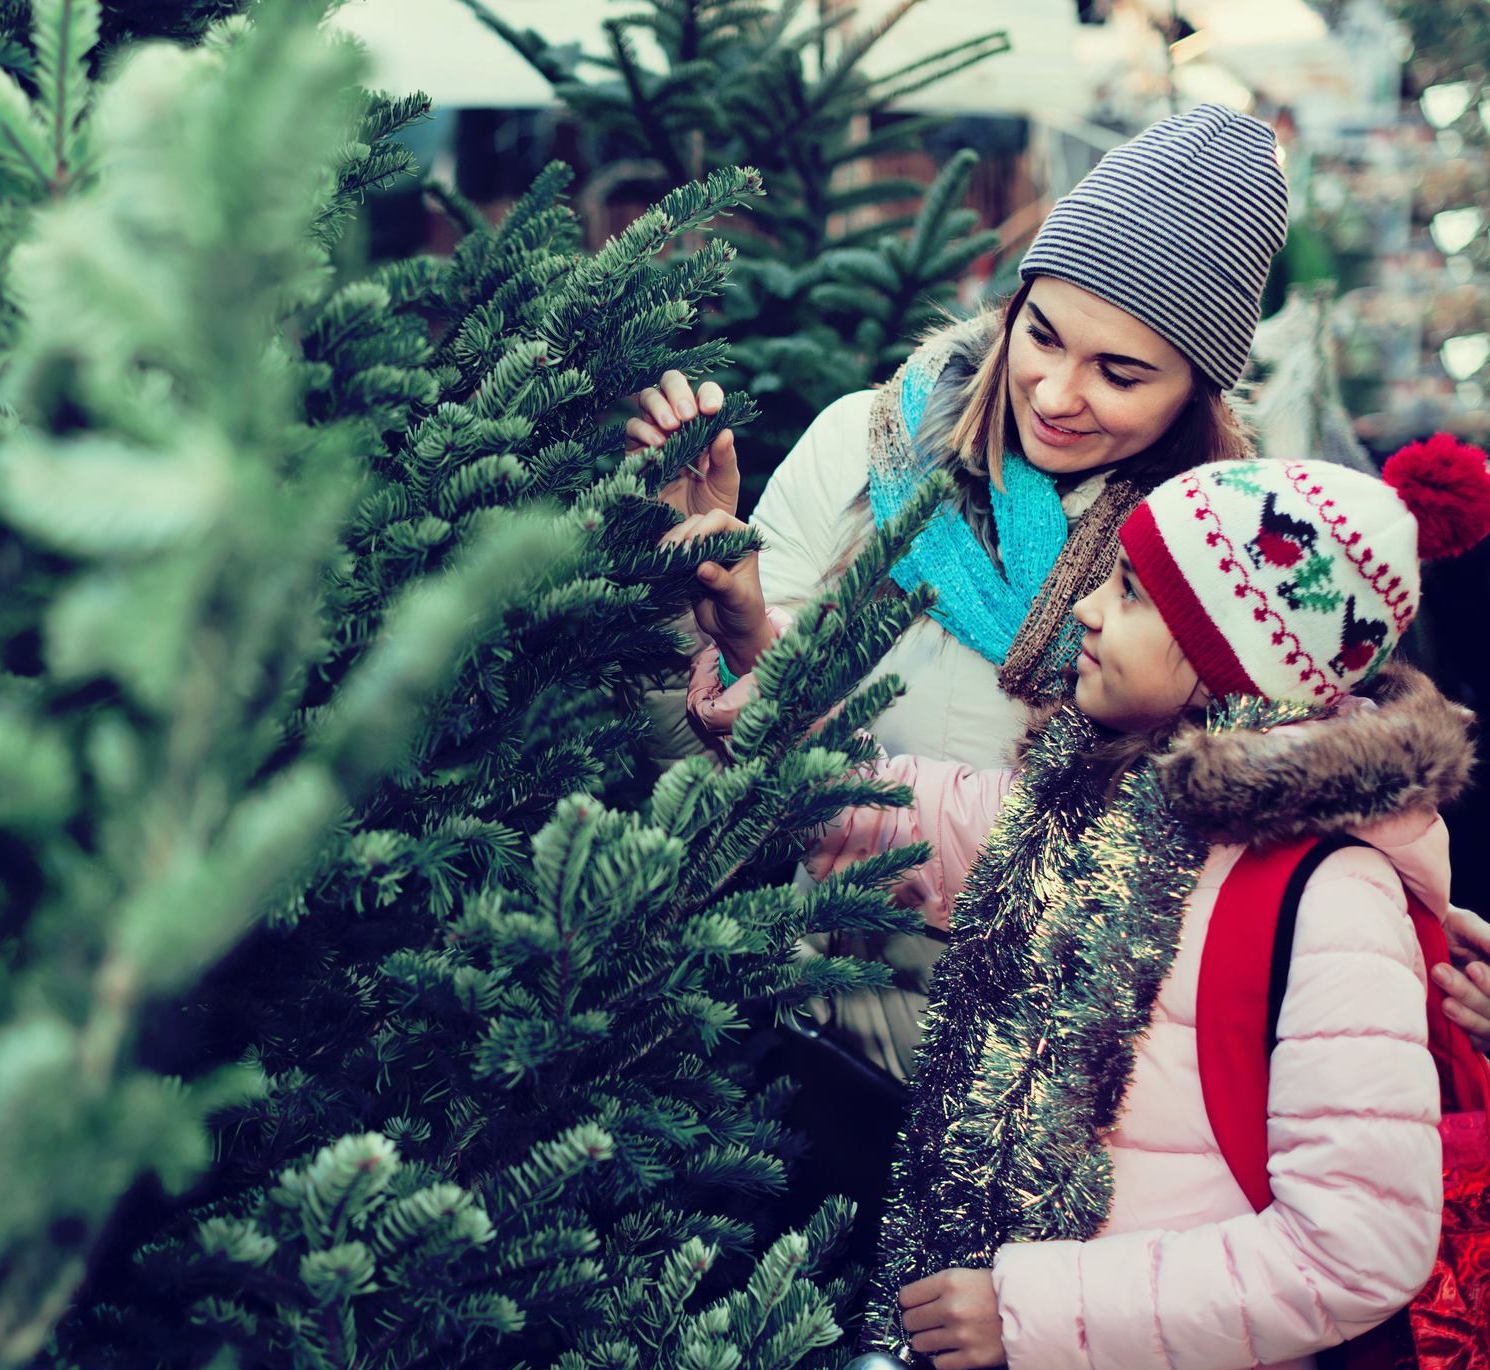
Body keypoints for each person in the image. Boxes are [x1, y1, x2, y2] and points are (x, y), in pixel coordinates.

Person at [634, 102, 1490, 1073]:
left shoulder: (1239, 573)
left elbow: (1280, 865)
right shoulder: (858, 451)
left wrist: (1424, 965)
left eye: (1119, 373)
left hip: (1069, 1118)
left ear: (1197, 388)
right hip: (812, 1058)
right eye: (1040, 334)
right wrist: (689, 590)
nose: (1052, 392)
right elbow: (684, 766)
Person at [723, 447, 1488, 1370]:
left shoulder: (1329, 896)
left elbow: (1359, 1243)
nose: (1083, 607)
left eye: (1128, 592)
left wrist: (1033, 1313)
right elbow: (885, 810)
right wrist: (750, 636)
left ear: (1231, 656)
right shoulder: (1090, 804)